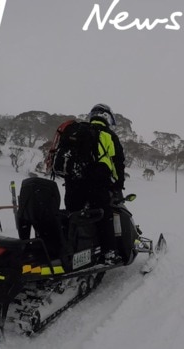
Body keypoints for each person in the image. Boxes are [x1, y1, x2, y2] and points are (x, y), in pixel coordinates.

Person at [63, 103, 125, 260]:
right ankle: (108, 252)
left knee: (74, 216)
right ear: (108, 118)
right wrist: (118, 185)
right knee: (104, 215)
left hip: (73, 183)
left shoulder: (76, 131)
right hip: (97, 183)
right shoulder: (109, 135)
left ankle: (68, 250)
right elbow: (118, 164)